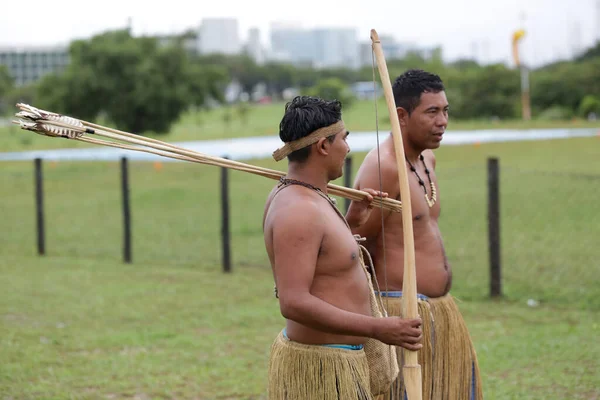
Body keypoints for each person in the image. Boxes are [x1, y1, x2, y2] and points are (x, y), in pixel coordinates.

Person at [263, 95, 423, 400]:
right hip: (321, 366)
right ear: (323, 146)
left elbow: (321, 258)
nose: (347, 149)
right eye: (344, 139)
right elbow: (293, 301)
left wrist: (352, 221)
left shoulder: (309, 196)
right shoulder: (298, 209)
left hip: (338, 361)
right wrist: (378, 328)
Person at [345, 69, 483, 400]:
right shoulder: (383, 166)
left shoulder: (427, 159)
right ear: (402, 116)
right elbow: (353, 248)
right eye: (432, 112)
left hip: (439, 312)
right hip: (402, 315)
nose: (443, 121)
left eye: (446, 110)